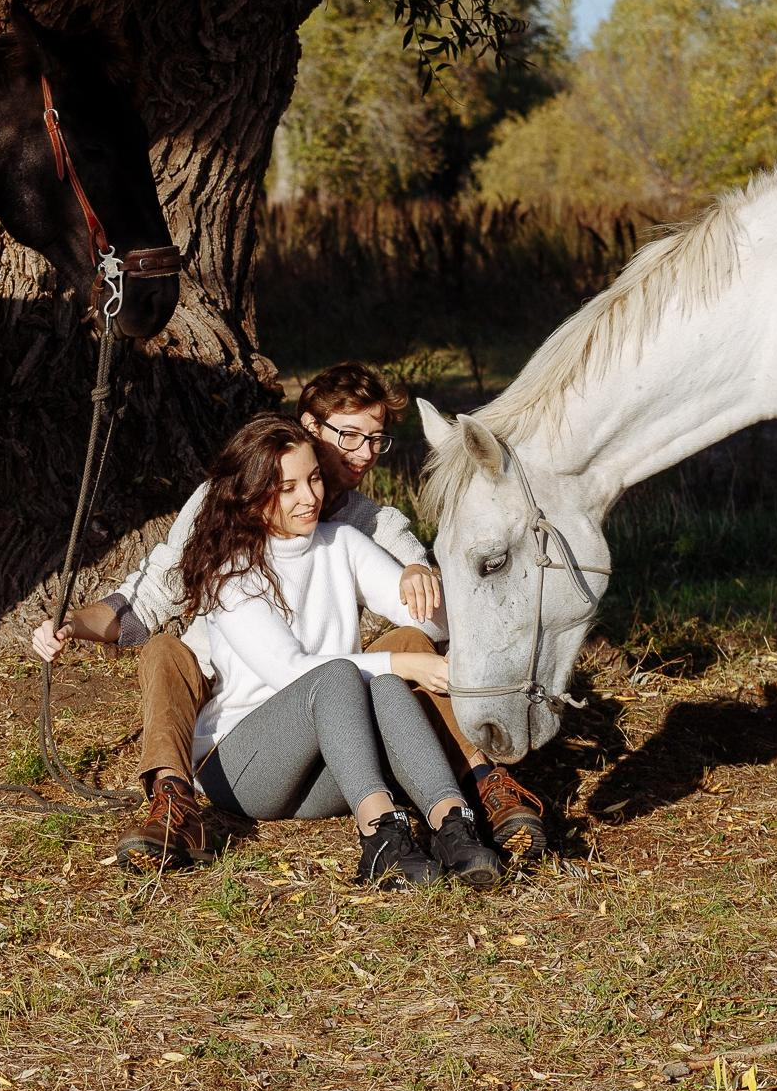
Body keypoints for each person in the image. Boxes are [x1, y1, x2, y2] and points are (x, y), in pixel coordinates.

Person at [30, 362, 547, 871]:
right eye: (349, 436)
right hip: (241, 711)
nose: (363, 453)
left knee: (399, 658)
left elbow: (425, 601)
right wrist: (73, 624)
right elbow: (149, 598)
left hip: (333, 712)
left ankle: (465, 806)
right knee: (172, 651)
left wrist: (429, 576)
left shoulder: (360, 528)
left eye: (375, 439)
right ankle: (174, 801)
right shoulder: (226, 549)